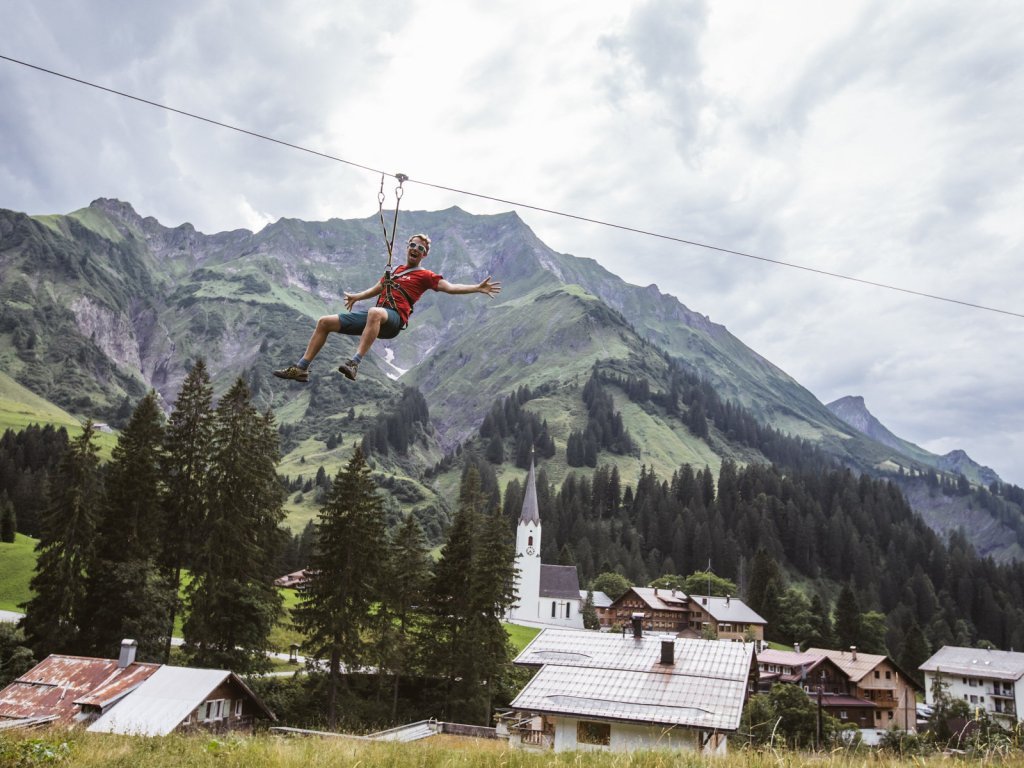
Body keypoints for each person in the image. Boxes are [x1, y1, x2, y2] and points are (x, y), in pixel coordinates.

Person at [273, 233, 501, 382]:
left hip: (393, 320)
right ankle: (301, 368)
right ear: (407, 247)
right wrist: (356, 296)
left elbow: (449, 287)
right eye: (412, 245)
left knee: (374, 312)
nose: (415, 249)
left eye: (420, 248)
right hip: (376, 317)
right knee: (324, 322)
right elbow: (378, 288)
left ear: (425, 254)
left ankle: (354, 363)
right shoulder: (395, 271)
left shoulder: (425, 275)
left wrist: (476, 288)